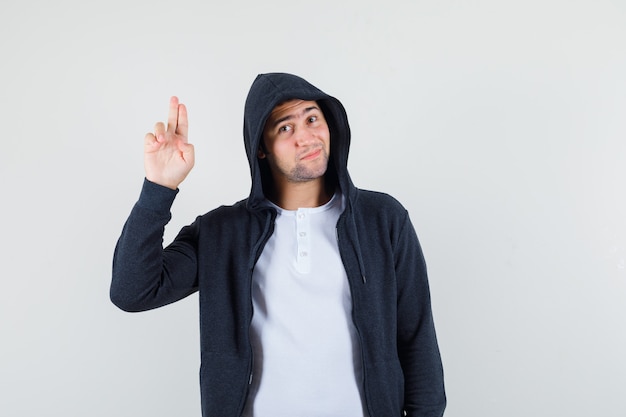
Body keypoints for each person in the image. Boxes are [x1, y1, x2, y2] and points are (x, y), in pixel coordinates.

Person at [111, 73, 446, 417]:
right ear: (261, 147)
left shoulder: (382, 219)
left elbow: (416, 337)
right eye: (285, 128)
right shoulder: (221, 233)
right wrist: (159, 188)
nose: (306, 137)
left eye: (312, 119)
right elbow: (132, 291)